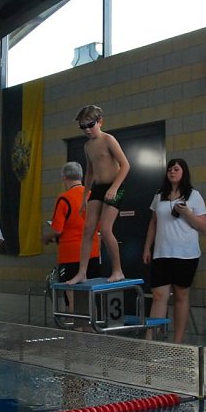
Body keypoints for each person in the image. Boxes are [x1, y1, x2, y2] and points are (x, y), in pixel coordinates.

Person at [142, 158, 206, 343]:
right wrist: (147, 247)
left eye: (176, 169)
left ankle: (177, 341)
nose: (172, 172)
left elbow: (203, 227)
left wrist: (187, 213)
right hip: (162, 253)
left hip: (185, 254)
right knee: (159, 296)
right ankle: (150, 340)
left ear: (183, 172)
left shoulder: (194, 196)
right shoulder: (159, 195)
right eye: (169, 169)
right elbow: (153, 223)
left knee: (181, 296)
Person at [65, 105, 130, 284]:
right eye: (82, 127)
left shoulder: (109, 139)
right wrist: (85, 196)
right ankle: (82, 272)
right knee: (87, 229)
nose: (87, 130)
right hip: (98, 188)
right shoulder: (87, 146)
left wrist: (114, 188)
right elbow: (90, 171)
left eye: (90, 125)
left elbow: (126, 165)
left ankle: (118, 270)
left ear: (100, 122)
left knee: (106, 229)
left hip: (115, 186)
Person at [42, 161, 102, 312]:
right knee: (90, 293)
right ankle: (91, 328)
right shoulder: (93, 196)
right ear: (81, 176)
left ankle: (78, 331)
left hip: (71, 255)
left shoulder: (64, 199)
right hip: (92, 253)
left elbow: (57, 229)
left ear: (64, 177)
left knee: (73, 295)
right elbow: (100, 226)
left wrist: (46, 238)